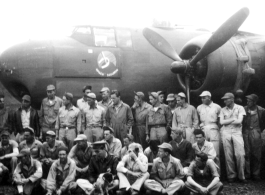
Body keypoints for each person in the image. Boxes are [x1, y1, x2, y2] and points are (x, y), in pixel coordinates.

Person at [219, 92, 246, 183]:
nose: (224, 101)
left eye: (226, 99)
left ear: (232, 99)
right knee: (228, 155)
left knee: (240, 154)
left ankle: (241, 176)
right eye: (224, 99)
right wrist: (233, 119)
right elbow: (221, 122)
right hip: (226, 132)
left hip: (237, 132)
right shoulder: (223, 110)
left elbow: (239, 121)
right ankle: (231, 175)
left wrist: (228, 121)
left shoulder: (240, 108)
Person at [243, 94, 265, 180]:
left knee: (257, 153)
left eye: (249, 101)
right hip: (246, 132)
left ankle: (256, 174)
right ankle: (247, 173)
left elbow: (263, 122)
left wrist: (259, 130)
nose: (247, 102)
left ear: (254, 102)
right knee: (246, 153)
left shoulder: (261, 110)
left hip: (256, 131)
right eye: (247, 101)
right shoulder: (244, 109)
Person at [197, 91, 221, 168]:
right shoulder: (199, 107)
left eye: (204, 97)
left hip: (213, 129)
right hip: (203, 129)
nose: (202, 99)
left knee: (215, 152)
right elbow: (198, 120)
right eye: (201, 98)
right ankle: (206, 173)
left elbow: (220, 121)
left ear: (209, 97)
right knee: (204, 152)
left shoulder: (217, 107)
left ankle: (217, 174)